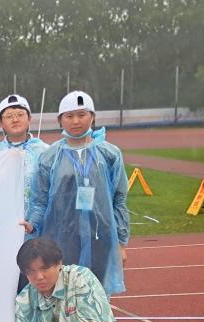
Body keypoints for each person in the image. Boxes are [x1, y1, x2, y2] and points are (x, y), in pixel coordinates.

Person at [23, 91, 129, 295]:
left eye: (82, 115)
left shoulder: (109, 154)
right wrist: (33, 224)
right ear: (60, 120)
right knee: (63, 290)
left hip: (100, 234)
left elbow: (119, 198)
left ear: (92, 117)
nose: (76, 121)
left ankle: (98, 317)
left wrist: (120, 242)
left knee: (97, 291)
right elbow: (40, 199)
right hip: (62, 236)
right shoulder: (50, 157)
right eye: (69, 116)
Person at [0, 94, 49, 215]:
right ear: (1, 122)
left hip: (36, 223)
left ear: (29, 118)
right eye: (9, 116)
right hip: (2, 220)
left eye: (20, 115)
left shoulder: (44, 151)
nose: (15, 120)